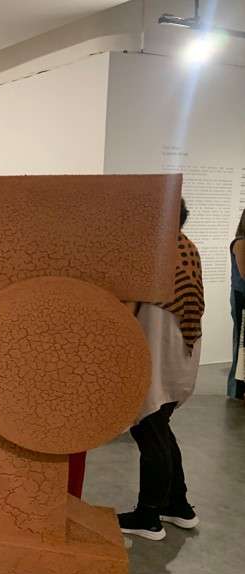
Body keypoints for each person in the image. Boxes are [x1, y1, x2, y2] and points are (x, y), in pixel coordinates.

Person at [118, 199, 204, 541]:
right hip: (179, 354)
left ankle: (148, 516)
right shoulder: (185, 246)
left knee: (149, 430)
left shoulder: (152, 254)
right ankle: (178, 505)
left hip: (157, 354)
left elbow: (126, 309)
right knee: (159, 429)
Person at [227, 209, 245, 400]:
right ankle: (236, 389)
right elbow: (244, 273)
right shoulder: (240, 242)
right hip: (242, 297)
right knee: (241, 343)